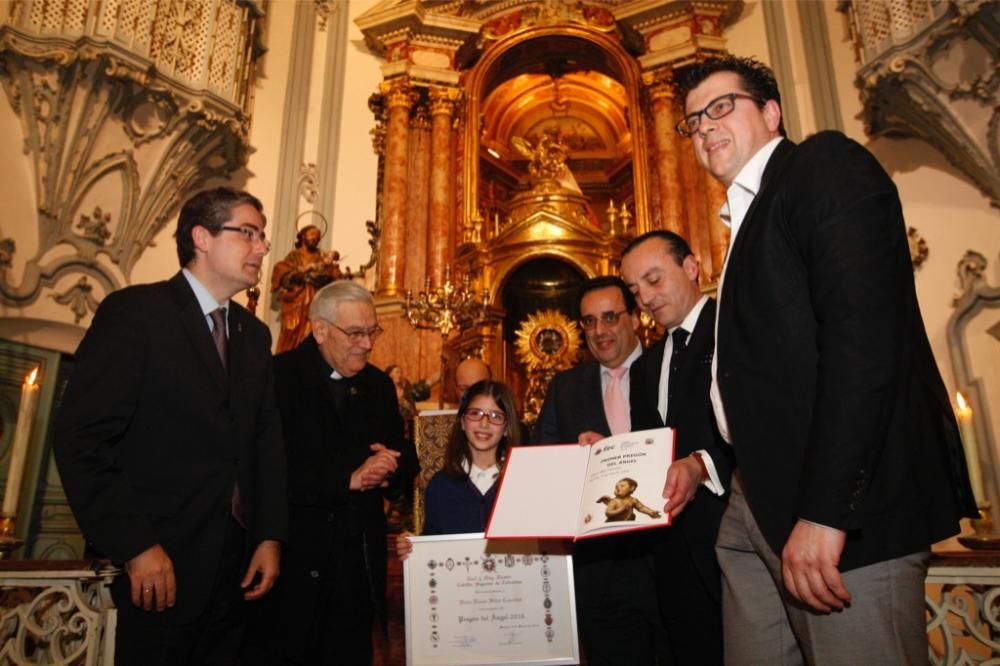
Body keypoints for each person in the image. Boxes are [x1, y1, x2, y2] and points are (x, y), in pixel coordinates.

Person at [676, 55, 976, 664]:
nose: (703, 127)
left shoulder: (821, 166)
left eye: (720, 107)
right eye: (691, 121)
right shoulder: (745, 221)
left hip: (836, 514)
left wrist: (826, 510)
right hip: (752, 503)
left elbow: (863, 342)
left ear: (770, 111)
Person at [53, 187, 287, 664]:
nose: (263, 248)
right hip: (159, 565)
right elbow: (82, 439)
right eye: (249, 233)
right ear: (201, 237)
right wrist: (135, 544)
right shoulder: (137, 314)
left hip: (235, 570)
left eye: (262, 237)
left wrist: (268, 536)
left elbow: (265, 444)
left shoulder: (254, 335)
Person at [242, 280, 408, 664]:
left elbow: (401, 458)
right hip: (290, 564)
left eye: (372, 332)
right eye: (355, 333)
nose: (367, 344)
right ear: (319, 329)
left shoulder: (379, 386)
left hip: (354, 571)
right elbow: (262, 470)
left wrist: (390, 468)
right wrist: (346, 479)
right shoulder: (276, 377)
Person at [532, 275, 666, 666]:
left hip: (671, 560)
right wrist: (578, 463)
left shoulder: (667, 367)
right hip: (601, 571)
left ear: (635, 317)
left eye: (609, 317)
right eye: (589, 322)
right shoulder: (564, 388)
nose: (599, 331)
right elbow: (546, 464)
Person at [621, 229, 734, 665]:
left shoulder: (735, 330)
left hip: (734, 537)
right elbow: (647, 450)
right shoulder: (645, 366)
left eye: (654, 280)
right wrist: (608, 457)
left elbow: (768, 429)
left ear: (691, 267)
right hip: (669, 553)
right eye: (635, 290)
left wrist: (702, 464)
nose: (645, 298)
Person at [397, 380, 523, 558]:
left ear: (507, 428)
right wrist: (413, 546)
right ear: (463, 422)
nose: (484, 423)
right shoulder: (441, 486)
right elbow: (433, 542)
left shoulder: (522, 483)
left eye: (496, 416)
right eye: (475, 413)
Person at [270, 224, 343, 353]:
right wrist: (302, 273)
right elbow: (286, 275)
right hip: (297, 300)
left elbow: (333, 277)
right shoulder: (294, 255)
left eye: (317, 237)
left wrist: (328, 270)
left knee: (313, 332)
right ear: (303, 236)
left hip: (316, 299)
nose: (315, 238)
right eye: (312, 235)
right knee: (291, 331)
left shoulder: (321, 256)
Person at [597, 478, 661, 522]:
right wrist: (620, 510)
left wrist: (650, 512)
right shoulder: (614, 501)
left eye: (622, 486)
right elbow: (608, 513)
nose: (618, 488)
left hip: (628, 522)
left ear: (632, 488)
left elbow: (641, 508)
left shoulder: (633, 500)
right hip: (613, 523)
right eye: (616, 487)